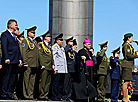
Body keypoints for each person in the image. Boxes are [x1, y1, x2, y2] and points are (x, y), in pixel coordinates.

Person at [1, 19, 22, 100]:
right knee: (7, 77)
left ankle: (10, 93)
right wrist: (6, 57)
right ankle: (4, 93)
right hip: (9, 59)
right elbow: (4, 47)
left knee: (13, 77)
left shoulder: (14, 36)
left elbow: (17, 49)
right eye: (15, 25)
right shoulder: (5, 35)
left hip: (15, 60)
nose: (17, 26)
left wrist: (20, 59)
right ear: (11, 25)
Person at [22, 26, 39, 100]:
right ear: (28, 33)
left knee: (32, 80)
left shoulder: (34, 42)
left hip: (34, 63)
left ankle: (30, 94)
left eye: (34, 33)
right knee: (26, 80)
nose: (34, 34)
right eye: (32, 32)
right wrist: (25, 62)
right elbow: (24, 52)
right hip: (28, 63)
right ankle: (26, 95)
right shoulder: (25, 41)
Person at [38, 30, 54, 100]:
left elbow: (51, 56)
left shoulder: (49, 46)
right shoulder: (41, 45)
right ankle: (41, 95)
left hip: (49, 65)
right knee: (43, 81)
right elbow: (40, 55)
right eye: (49, 37)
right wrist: (42, 64)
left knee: (48, 82)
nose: (50, 38)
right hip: (44, 65)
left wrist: (53, 64)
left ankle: (46, 95)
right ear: (45, 38)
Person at [122, 33, 138, 102]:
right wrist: (136, 55)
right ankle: (124, 98)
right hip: (127, 65)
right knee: (126, 82)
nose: (132, 39)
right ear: (128, 38)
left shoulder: (129, 45)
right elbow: (128, 56)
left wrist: (135, 53)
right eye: (131, 38)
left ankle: (126, 97)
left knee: (128, 82)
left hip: (129, 65)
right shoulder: (126, 45)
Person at [51, 33, 68, 101]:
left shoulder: (61, 48)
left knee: (61, 84)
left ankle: (59, 95)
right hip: (58, 68)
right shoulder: (54, 47)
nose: (62, 42)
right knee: (56, 83)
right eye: (60, 40)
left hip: (63, 69)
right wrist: (56, 68)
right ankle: (54, 95)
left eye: (62, 40)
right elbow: (54, 58)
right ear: (57, 41)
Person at [63, 36, 75, 101]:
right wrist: (68, 45)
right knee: (66, 83)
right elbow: (65, 51)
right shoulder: (67, 49)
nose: (72, 43)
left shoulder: (71, 50)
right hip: (68, 68)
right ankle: (65, 96)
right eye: (71, 41)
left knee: (70, 83)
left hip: (72, 69)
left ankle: (69, 96)